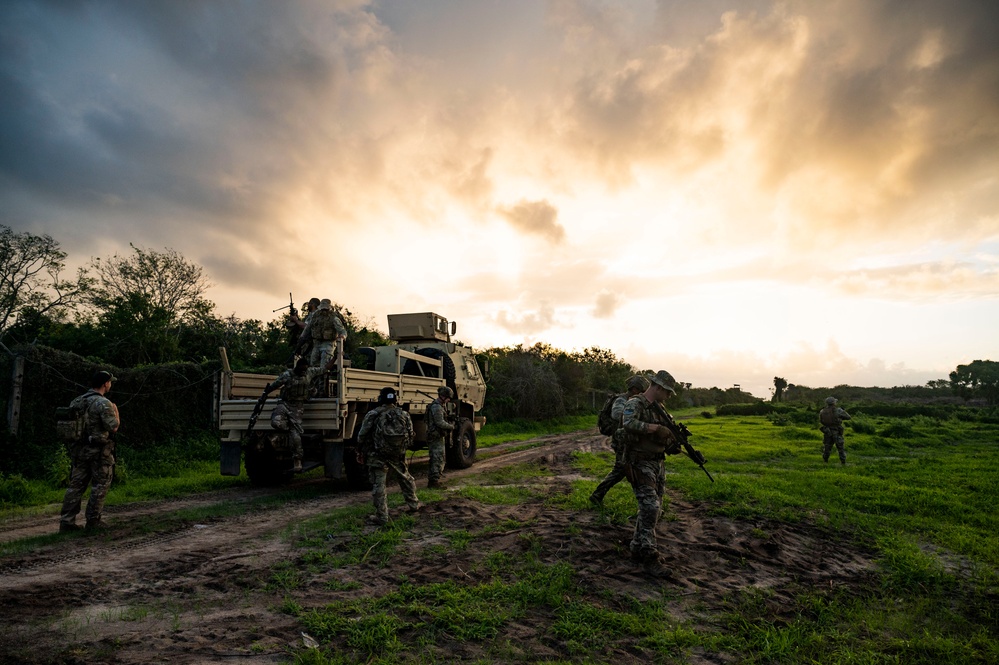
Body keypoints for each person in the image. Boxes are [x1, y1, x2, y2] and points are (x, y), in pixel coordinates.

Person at [620, 370, 682, 566]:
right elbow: (627, 422)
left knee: (656, 506)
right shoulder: (636, 403)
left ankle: (638, 547)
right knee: (650, 507)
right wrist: (655, 429)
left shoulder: (661, 409)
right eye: (668, 392)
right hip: (639, 461)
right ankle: (649, 554)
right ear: (657, 387)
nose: (669, 396)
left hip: (657, 462)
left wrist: (673, 443)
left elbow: (666, 436)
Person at [59, 370, 121, 533]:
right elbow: (113, 427)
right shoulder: (104, 403)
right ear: (104, 384)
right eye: (110, 382)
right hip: (99, 451)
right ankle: (93, 520)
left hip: (79, 450)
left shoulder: (77, 401)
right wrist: (116, 412)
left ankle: (67, 522)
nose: (110, 384)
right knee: (100, 484)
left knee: (76, 485)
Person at [357, 387, 422, 525]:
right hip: (397, 454)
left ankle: (382, 516)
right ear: (396, 399)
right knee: (406, 478)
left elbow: (362, 435)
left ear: (381, 398)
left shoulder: (373, 414)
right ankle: (414, 505)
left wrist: (361, 450)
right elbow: (410, 434)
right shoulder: (404, 414)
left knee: (379, 484)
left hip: (377, 454)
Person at [261, 356, 332, 471]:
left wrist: (335, 357)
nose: (304, 371)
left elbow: (325, 368)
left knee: (296, 435)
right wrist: (265, 393)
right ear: (297, 367)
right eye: (302, 369)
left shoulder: (309, 372)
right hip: (285, 403)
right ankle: (289, 427)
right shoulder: (287, 375)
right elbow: (275, 385)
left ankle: (297, 460)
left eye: (305, 369)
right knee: (276, 422)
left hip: (298, 407)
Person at [589, 375, 651, 505]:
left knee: (625, 469)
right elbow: (617, 414)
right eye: (641, 390)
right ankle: (597, 495)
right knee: (622, 469)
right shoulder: (621, 400)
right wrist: (633, 417)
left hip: (628, 440)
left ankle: (598, 495)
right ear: (634, 389)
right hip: (621, 442)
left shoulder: (633, 400)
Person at [297, 298, 347, 369]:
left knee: (324, 362)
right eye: (322, 309)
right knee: (313, 363)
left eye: (325, 309)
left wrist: (342, 336)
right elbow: (307, 328)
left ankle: (324, 377)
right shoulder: (315, 317)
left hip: (328, 343)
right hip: (317, 342)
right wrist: (301, 338)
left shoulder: (334, 318)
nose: (324, 311)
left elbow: (342, 331)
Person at [425, 386, 456, 488]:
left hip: (437, 436)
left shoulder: (440, 406)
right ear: (442, 396)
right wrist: (451, 427)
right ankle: (434, 482)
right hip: (435, 436)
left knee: (438, 458)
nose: (449, 400)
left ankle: (434, 480)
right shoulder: (437, 407)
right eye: (448, 397)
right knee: (437, 458)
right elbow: (439, 422)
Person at [819, 396, 851, 465]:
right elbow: (848, 417)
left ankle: (825, 461)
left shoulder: (822, 411)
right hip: (836, 431)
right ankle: (843, 462)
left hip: (827, 431)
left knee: (827, 447)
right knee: (840, 447)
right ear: (834, 403)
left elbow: (821, 421)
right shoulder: (838, 410)